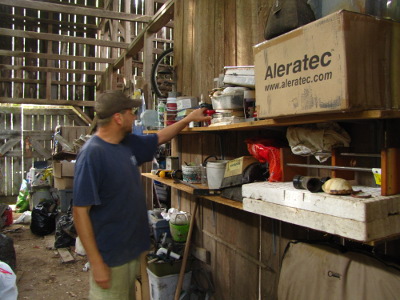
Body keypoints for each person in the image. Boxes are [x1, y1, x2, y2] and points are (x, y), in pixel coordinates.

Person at [72, 90, 211, 300]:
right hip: (110, 258)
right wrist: (97, 262)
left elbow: (159, 138)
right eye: (131, 112)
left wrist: (189, 118)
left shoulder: (125, 144)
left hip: (131, 253)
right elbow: (80, 211)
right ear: (118, 117)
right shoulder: (93, 153)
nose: (135, 117)